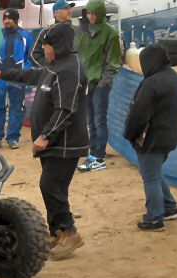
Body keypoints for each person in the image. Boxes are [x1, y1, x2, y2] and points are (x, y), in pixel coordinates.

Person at [0, 23, 89, 260]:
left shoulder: (71, 70)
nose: (43, 48)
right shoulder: (55, 66)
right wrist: (2, 74)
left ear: (58, 45)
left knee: (51, 186)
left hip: (65, 142)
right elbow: (31, 75)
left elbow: (66, 109)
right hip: (54, 143)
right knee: (54, 188)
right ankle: (57, 232)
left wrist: (45, 137)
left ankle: (70, 232)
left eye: (46, 45)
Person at [123, 43, 177, 232]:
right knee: (155, 172)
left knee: (149, 177)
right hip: (170, 137)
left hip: (150, 139)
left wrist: (129, 133)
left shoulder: (151, 83)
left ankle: (154, 218)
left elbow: (138, 113)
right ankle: (169, 207)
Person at [76, 0, 122, 172]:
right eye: (88, 13)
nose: (90, 17)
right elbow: (77, 54)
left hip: (101, 83)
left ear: (101, 13)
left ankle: (99, 156)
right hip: (85, 83)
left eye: (94, 13)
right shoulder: (82, 31)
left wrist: (103, 82)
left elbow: (114, 62)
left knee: (99, 119)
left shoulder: (110, 33)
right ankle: (93, 153)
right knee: (90, 120)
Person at [0, 8, 34, 150]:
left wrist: (25, 75)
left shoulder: (26, 37)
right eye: (4, 18)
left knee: (16, 109)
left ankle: (13, 138)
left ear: (16, 20)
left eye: (9, 18)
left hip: (18, 80)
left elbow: (30, 58)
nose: (6, 21)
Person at [30, 0, 76, 67]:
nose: (70, 11)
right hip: (55, 75)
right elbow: (33, 54)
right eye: (66, 9)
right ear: (56, 13)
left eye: (70, 8)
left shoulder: (74, 30)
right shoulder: (46, 32)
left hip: (73, 73)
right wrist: (50, 67)